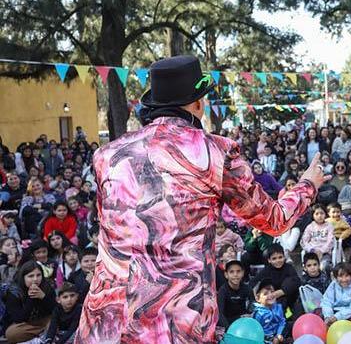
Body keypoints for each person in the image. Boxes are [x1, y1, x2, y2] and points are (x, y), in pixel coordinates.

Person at [75, 56, 328, 343]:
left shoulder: (107, 155)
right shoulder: (214, 153)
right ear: (197, 104)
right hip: (174, 321)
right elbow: (274, 220)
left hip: (106, 319)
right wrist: (308, 184)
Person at [4, 260, 57, 343]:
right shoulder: (14, 291)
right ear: (23, 277)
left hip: (45, 320)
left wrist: (43, 297)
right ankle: (42, 338)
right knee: (10, 333)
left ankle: (42, 337)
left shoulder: (47, 286)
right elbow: (19, 319)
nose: (35, 279)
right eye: (31, 276)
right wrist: (31, 298)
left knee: (54, 322)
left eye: (38, 275)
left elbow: (56, 310)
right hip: (27, 325)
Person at [217, 260, 254, 329]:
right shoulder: (222, 291)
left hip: (244, 322)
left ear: (243, 273)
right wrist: (228, 330)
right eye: (231, 272)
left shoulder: (247, 289)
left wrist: (250, 315)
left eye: (238, 271)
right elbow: (220, 314)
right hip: (228, 323)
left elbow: (252, 306)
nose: (235, 274)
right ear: (226, 275)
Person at [252, 279, 288, 344]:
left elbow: (282, 321)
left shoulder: (278, 307)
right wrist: (271, 340)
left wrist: (279, 334)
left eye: (272, 291)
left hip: (278, 336)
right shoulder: (259, 314)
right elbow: (257, 332)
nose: (270, 295)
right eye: (265, 294)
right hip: (265, 340)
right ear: (258, 298)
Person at [300, 204, 334, 272]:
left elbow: (331, 241)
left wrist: (321, 251)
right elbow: (304, 241)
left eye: (322, 213)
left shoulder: (329, 226)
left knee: (325, 266)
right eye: (317, 214)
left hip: (325, 253)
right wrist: (311, 249)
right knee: (310, 267)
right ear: (313, 215)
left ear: (325, 214)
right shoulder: (310, 227)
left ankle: (326, 281)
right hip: (311, 253)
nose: (319, 216)